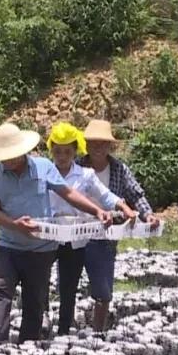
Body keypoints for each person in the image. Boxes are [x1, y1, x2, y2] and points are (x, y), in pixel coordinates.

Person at [0, 121, 111, 344]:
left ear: (23, 152)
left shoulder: (43, 168)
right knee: (0, 292)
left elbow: (68, 192)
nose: (8, 160)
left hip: (41, 250)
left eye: (12, 155)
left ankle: (27, 348)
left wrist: (97, 210)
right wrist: (14, 224)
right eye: (4, 156)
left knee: (35, 301)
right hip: (8, 245)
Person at [45, 122, 138, 336]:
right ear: (52, 151)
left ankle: (63, 331)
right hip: (48, 236)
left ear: (75, 151)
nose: (62, 156)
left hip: (75, 238)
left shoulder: (85, 175)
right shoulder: (44, 172)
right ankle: (40, 322)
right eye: (57, 151)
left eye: (67, 152)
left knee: (68, 287)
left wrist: (124, 207)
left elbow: (105, 195)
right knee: (39, 282)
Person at [78, 119, 161, 332]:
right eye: (93, 143)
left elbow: (135, 194)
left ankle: (99, 331)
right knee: (68, 286)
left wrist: (148, 215)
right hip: (77, 233)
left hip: (106, 234)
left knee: (103, 289)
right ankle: (66, 330)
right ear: (86, 144)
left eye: (102, 144)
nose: (97, 147)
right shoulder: (77, 167)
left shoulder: (119, 169)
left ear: (110, 146)